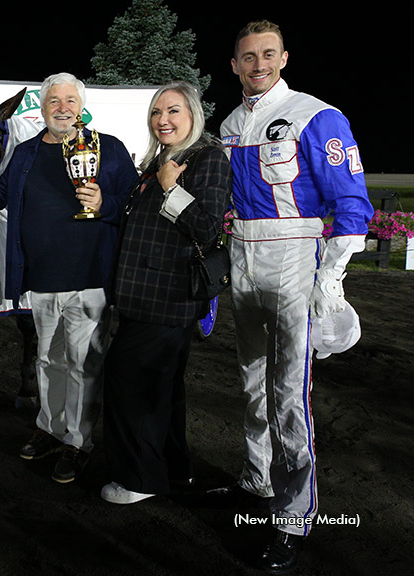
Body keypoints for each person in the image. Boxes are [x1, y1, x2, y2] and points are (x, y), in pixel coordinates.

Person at [217, 20, 374, 572]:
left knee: (289, 394)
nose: (257, 64)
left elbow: (353, 205)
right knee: (252, 383)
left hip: (294, 261)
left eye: (267, 54)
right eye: (247, 57)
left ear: (284, 58)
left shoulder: (317, 115)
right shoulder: (231, 123)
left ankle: (293, 516)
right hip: (243, 258)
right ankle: (259, 480)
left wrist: (330, 276)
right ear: (234, 64)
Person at [0, 72, 136, 482]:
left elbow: (133, 202)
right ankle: (49, 427)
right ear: (43, 109)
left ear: (81, 106)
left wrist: (105, 202)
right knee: (48, 360)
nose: (62, 107)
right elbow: (5, 189)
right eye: (53, 101)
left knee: (83, 364)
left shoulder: (108, 148)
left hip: (89, 278)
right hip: (41, 280)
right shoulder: (26, 152)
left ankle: (77, 442)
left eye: (69, 100)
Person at [100, 82, 231, 505]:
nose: (163, 120)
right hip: (145, 296)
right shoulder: (162, 159)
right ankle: (173, 468)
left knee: (130, 383)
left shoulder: (206, 158)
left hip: (167, 297)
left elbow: (208, 228)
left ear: (193, 114)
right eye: (157, 112)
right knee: (162, 388)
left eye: (173, 111)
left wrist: (173, 189)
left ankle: (140, 479)